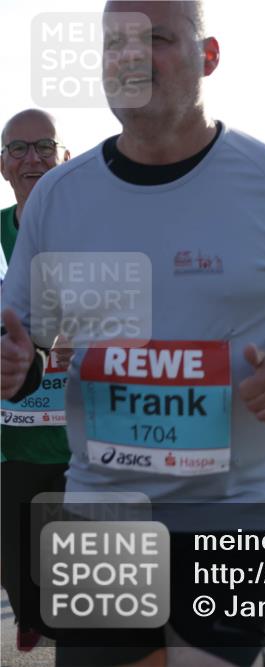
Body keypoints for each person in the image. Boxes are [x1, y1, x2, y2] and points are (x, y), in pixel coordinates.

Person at [0, 4, 265, 666]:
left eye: (155, 38)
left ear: (208, 57)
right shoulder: (60, 197)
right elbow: (28, 344)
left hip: (237, 518)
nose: (131, 56)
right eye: (114, 43)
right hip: (103, 513)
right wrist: (18, 365)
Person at [0, 108, 72, 654]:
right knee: (21, 580)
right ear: (3, 164)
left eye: (45, 147)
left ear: (64, 158)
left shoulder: (95, 235)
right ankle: (32, 612)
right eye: (19, 149)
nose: (33, 159)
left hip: (84, 436)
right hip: (12, 440)